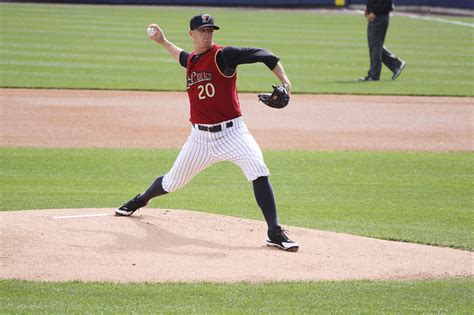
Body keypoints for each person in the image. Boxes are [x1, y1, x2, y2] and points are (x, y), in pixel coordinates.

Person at [115, 13, 299, 252]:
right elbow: (182, 56)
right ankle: (140, 200)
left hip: (233, 134)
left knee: (258, 169)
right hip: (200, 139)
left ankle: (274, 232)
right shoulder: (192, 60)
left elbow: (266, 55)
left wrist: (285, 82)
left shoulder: (223, 55)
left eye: (210, 30)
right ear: (192, 33)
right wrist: (162, 41)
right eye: (202, 30)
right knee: (172, 182)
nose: (207, 34)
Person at [359, 0, 406, 81]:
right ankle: (396, 64)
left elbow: (384, 1)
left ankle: (374, 76)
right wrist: (368, 8)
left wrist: (374, 12)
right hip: (375, 15)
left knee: (375, 46)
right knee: (374, 45)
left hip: (379, 16)